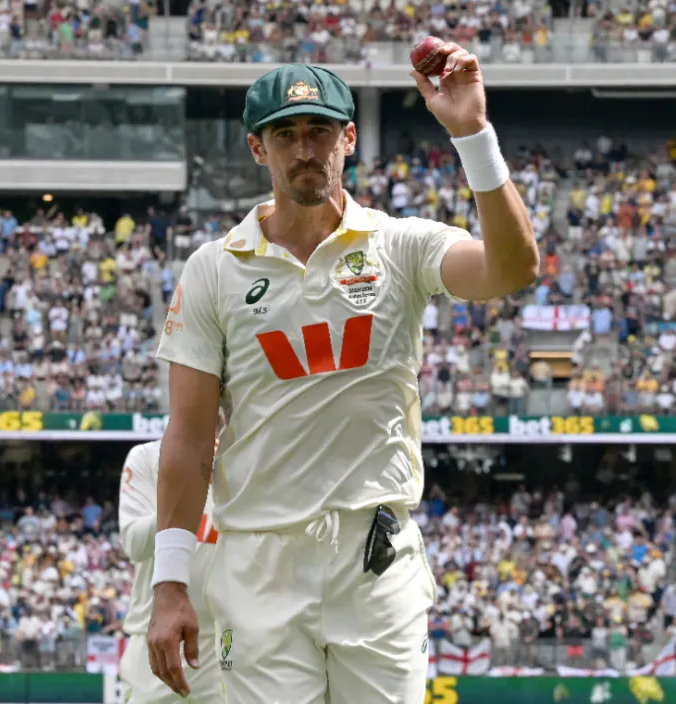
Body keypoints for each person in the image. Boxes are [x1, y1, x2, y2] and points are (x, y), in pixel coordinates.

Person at [149, 50, 539, 703]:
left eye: (320, 131)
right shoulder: (213, 269)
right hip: (259, 561)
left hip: (375, 559)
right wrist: (169, 584)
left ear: (349, 138)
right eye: (285, 134)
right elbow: (188, 439)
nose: (306, 149)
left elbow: (513, 268)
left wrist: (473, 133)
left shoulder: (400, 245)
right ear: (257, 148)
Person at [119, 437, 223, 703]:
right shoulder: (147, 456)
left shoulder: (244, 454)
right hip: (159, 638)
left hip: (227, 636)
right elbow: (134, 544)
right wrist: (188, 491)